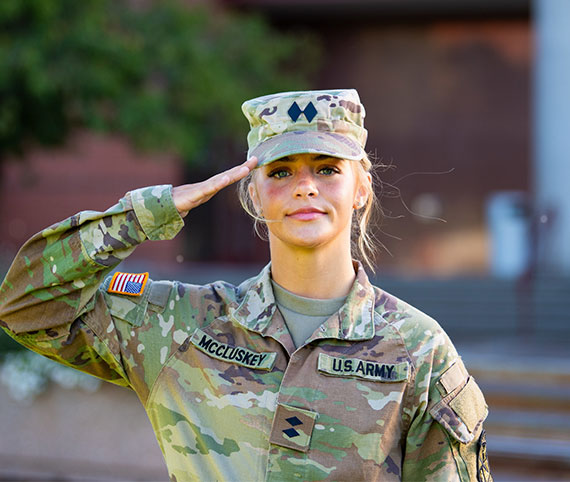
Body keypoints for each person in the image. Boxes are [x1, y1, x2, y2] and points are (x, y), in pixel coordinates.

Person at [0, 89, 492, 481]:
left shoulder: (416, 348)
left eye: (327, 169)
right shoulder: (181, 325)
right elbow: (26, 306)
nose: (305, 187)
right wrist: (153, 211)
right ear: (253, 194)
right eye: (280, 171)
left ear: (360, 187)